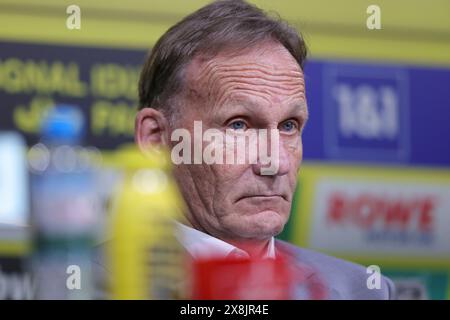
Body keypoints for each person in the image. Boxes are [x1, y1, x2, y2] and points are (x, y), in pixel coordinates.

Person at [135, 0, 395, 299]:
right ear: (156, 139)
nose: (277, 163)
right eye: (239, 125)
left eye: (289, 126)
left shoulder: (364, 291)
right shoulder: (85, 286)